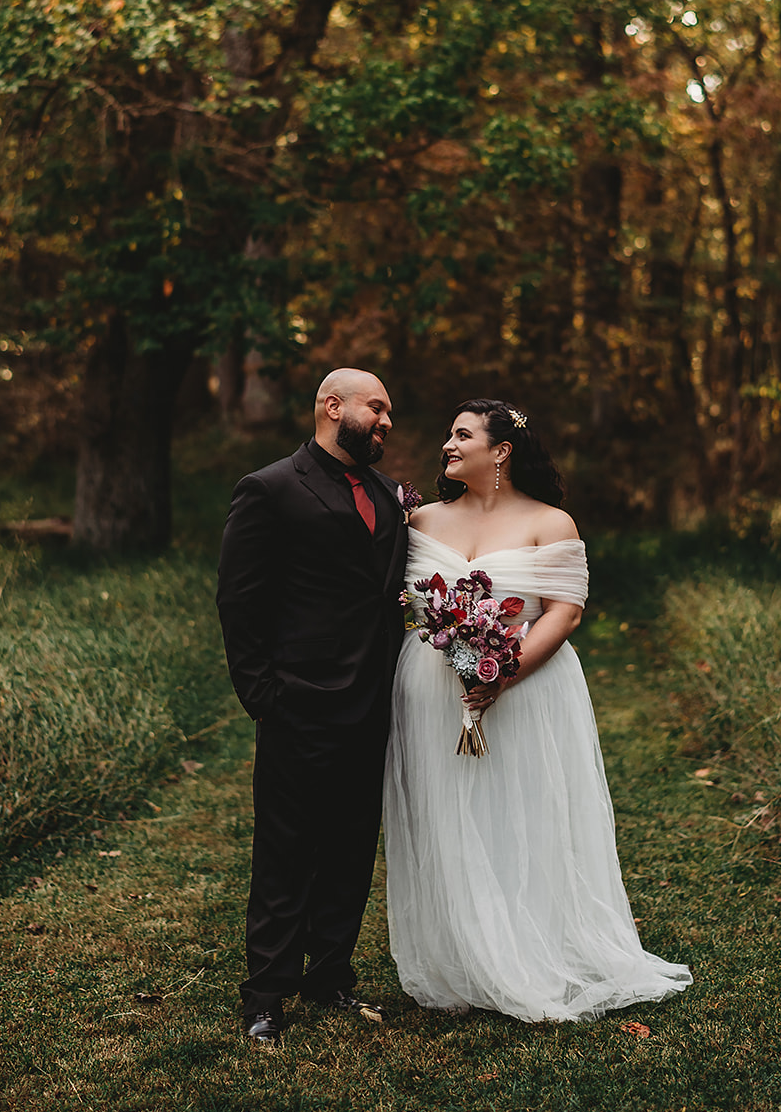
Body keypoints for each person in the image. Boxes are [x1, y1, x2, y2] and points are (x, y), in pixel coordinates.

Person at [383, 398, 692, 1023]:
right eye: (448, 433)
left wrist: (502, 673)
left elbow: (565, 612)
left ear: (501, 452)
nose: (447, 444)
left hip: (525, 688)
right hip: (430, 686)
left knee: (520, 810)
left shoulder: (551, 523)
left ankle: (533, 951)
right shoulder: (418, 521)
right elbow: (400, 603)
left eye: (461, 434)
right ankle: (464, 956)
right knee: (446, 812)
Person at [217, 367, 408, 1046]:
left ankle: (329, 977)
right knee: (285, 851)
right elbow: (239, 601)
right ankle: (264, 996)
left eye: (388, 413)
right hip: (297, 700)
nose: (386, 422)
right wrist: (263, 695)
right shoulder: (269, 489)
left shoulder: (389, 493)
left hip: (374, 702)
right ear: (334, 406)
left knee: (352, 848)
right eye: (376, 409)